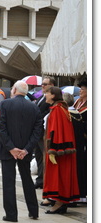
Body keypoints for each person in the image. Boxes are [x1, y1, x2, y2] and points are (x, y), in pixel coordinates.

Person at [0, 81, 43, 222]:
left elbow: (2, 128)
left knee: (9, 181)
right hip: (25, 150)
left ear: (15, 89)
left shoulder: (5, 104)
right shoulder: (34, 107)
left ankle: (11, 214)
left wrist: (11, 148)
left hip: (8, 150)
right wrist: (26, 149)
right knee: (27, 179)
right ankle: (33, 211)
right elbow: (37, 131)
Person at [42, 86, 80, 214]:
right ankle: (59, 202)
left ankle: (59, 202)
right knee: (61, 176)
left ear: (53, 95)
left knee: (60, 176)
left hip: (59, 151)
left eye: (47, 93)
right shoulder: (60, 108)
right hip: (60, 149)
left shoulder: (58, 110)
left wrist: (53, 150)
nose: (45, 95)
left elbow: (57, 132)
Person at [63, 92, 87, 204]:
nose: (81, 91)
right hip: (79, 145)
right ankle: (80, 195)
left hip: (72, 146)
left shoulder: (68, 114)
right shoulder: (76, 112)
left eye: (83, 89)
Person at [33, 76, 56, 189]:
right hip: (37, 131)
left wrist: (36, 119)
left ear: (51, 85)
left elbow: (47, 113)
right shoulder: (41, 97)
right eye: (42, 84)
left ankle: (45, 180)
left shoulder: (52, 98)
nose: (42, 86)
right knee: (38, 156)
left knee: (44, 155)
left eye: (45, 84)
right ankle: (40, 179)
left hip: (44, 131)